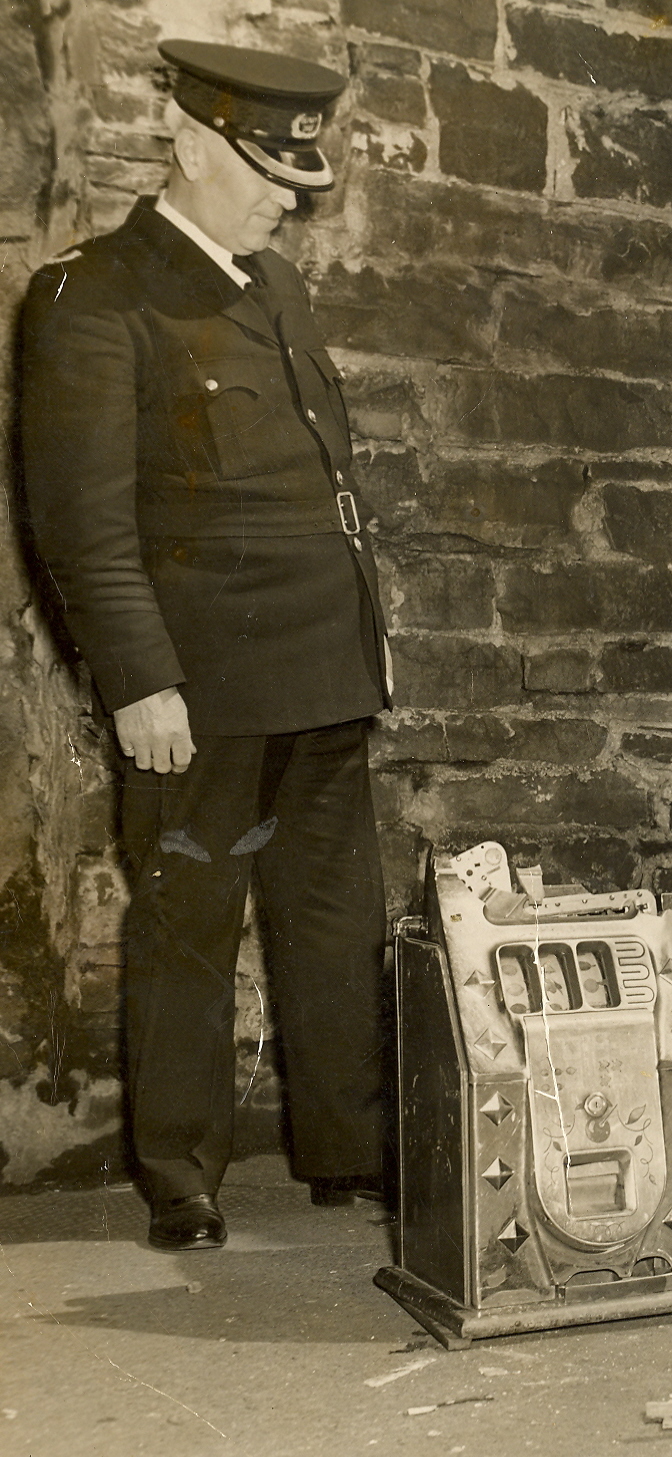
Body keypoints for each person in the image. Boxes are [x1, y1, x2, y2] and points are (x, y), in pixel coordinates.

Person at [20, 40, 392, 1251]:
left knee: (334, 919)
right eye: (268, 172)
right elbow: (80, 522)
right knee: (187, 920)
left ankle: (348, 1146)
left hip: (323, 666)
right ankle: (182, 1172)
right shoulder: (92, 296)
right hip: (202, 685)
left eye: (299, 175)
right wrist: (141, 681)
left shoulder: (274, 285)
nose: (290, 197)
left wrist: (365, 648)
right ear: (185, 143)